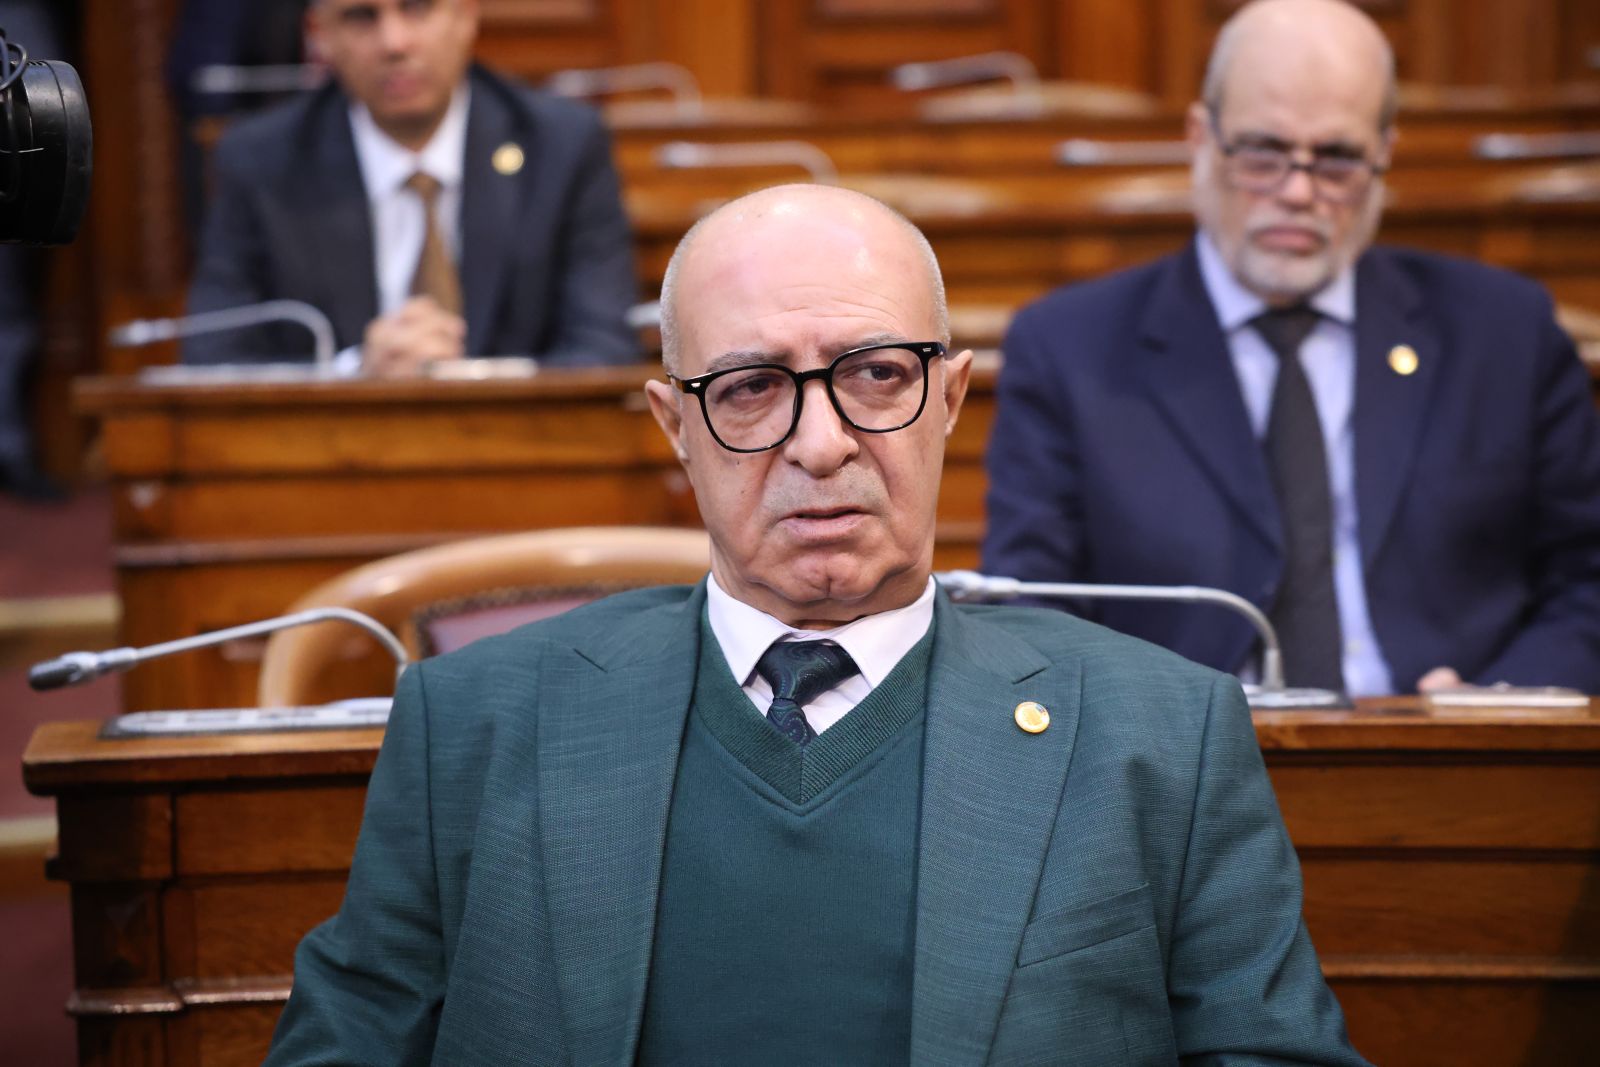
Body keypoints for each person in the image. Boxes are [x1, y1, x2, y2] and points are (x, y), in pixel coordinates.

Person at [262, 184, 1366, 1065]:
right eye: (750, 387)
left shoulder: (1162, 734)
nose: (821, 441)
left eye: (876, 375)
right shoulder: (471, 723)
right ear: (674, 424)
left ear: (949, 399)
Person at [983, 0, 1600, 696]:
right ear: (1200, 139)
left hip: (1450, 743)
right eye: (1263, 153)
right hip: (1175, 749)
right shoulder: (1070, 349)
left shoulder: (1504, 333)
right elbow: (1031, 608)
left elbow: (1588, 576)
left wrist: (1500, 705)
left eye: (1336, 159)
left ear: (1384, 156)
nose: (1299, 191)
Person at [185, 0, 639, 373]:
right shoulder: (260, 161)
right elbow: (214, 361)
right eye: (361, 16)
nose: (394, 43)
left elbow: (604, 349)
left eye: (417, 8)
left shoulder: (561, 147)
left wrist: (476, 379)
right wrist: (355, 372)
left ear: (466, 15)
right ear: (320, 34)